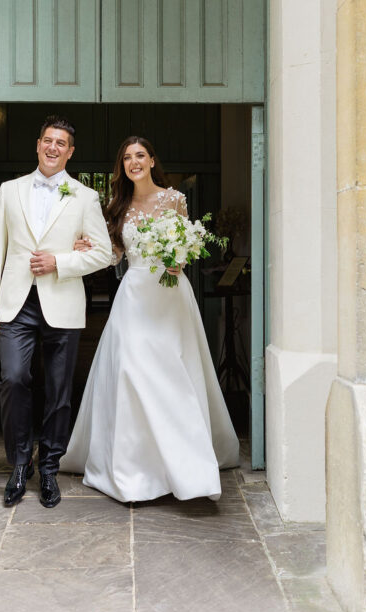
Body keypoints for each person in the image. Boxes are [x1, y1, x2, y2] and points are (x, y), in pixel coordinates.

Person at [61, 136, 239, 502]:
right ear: (122, 166)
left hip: (171, 295)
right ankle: (132, 470)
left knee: (174, 377)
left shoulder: (175, 199)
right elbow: (113, 254)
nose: (133, 162)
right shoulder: (117, 205)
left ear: (153, 160)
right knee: (130, 373)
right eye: (127, 157)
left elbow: (186, 245)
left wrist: (180, 260)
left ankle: (185, 468)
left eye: (140, 155)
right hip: (134, 297)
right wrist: (89, 249)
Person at [0, 115, 112, 508]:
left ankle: (50, 467)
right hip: (15, 302)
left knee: (59, 391)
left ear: (70, 152)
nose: (53, 148)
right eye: (48, 141)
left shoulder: (85, 197)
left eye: (61, 143)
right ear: (38, 144)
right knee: (14, 379)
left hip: (63, 302)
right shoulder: (9, 190)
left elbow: (104, 254)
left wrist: (61, 262)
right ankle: (20, 464)